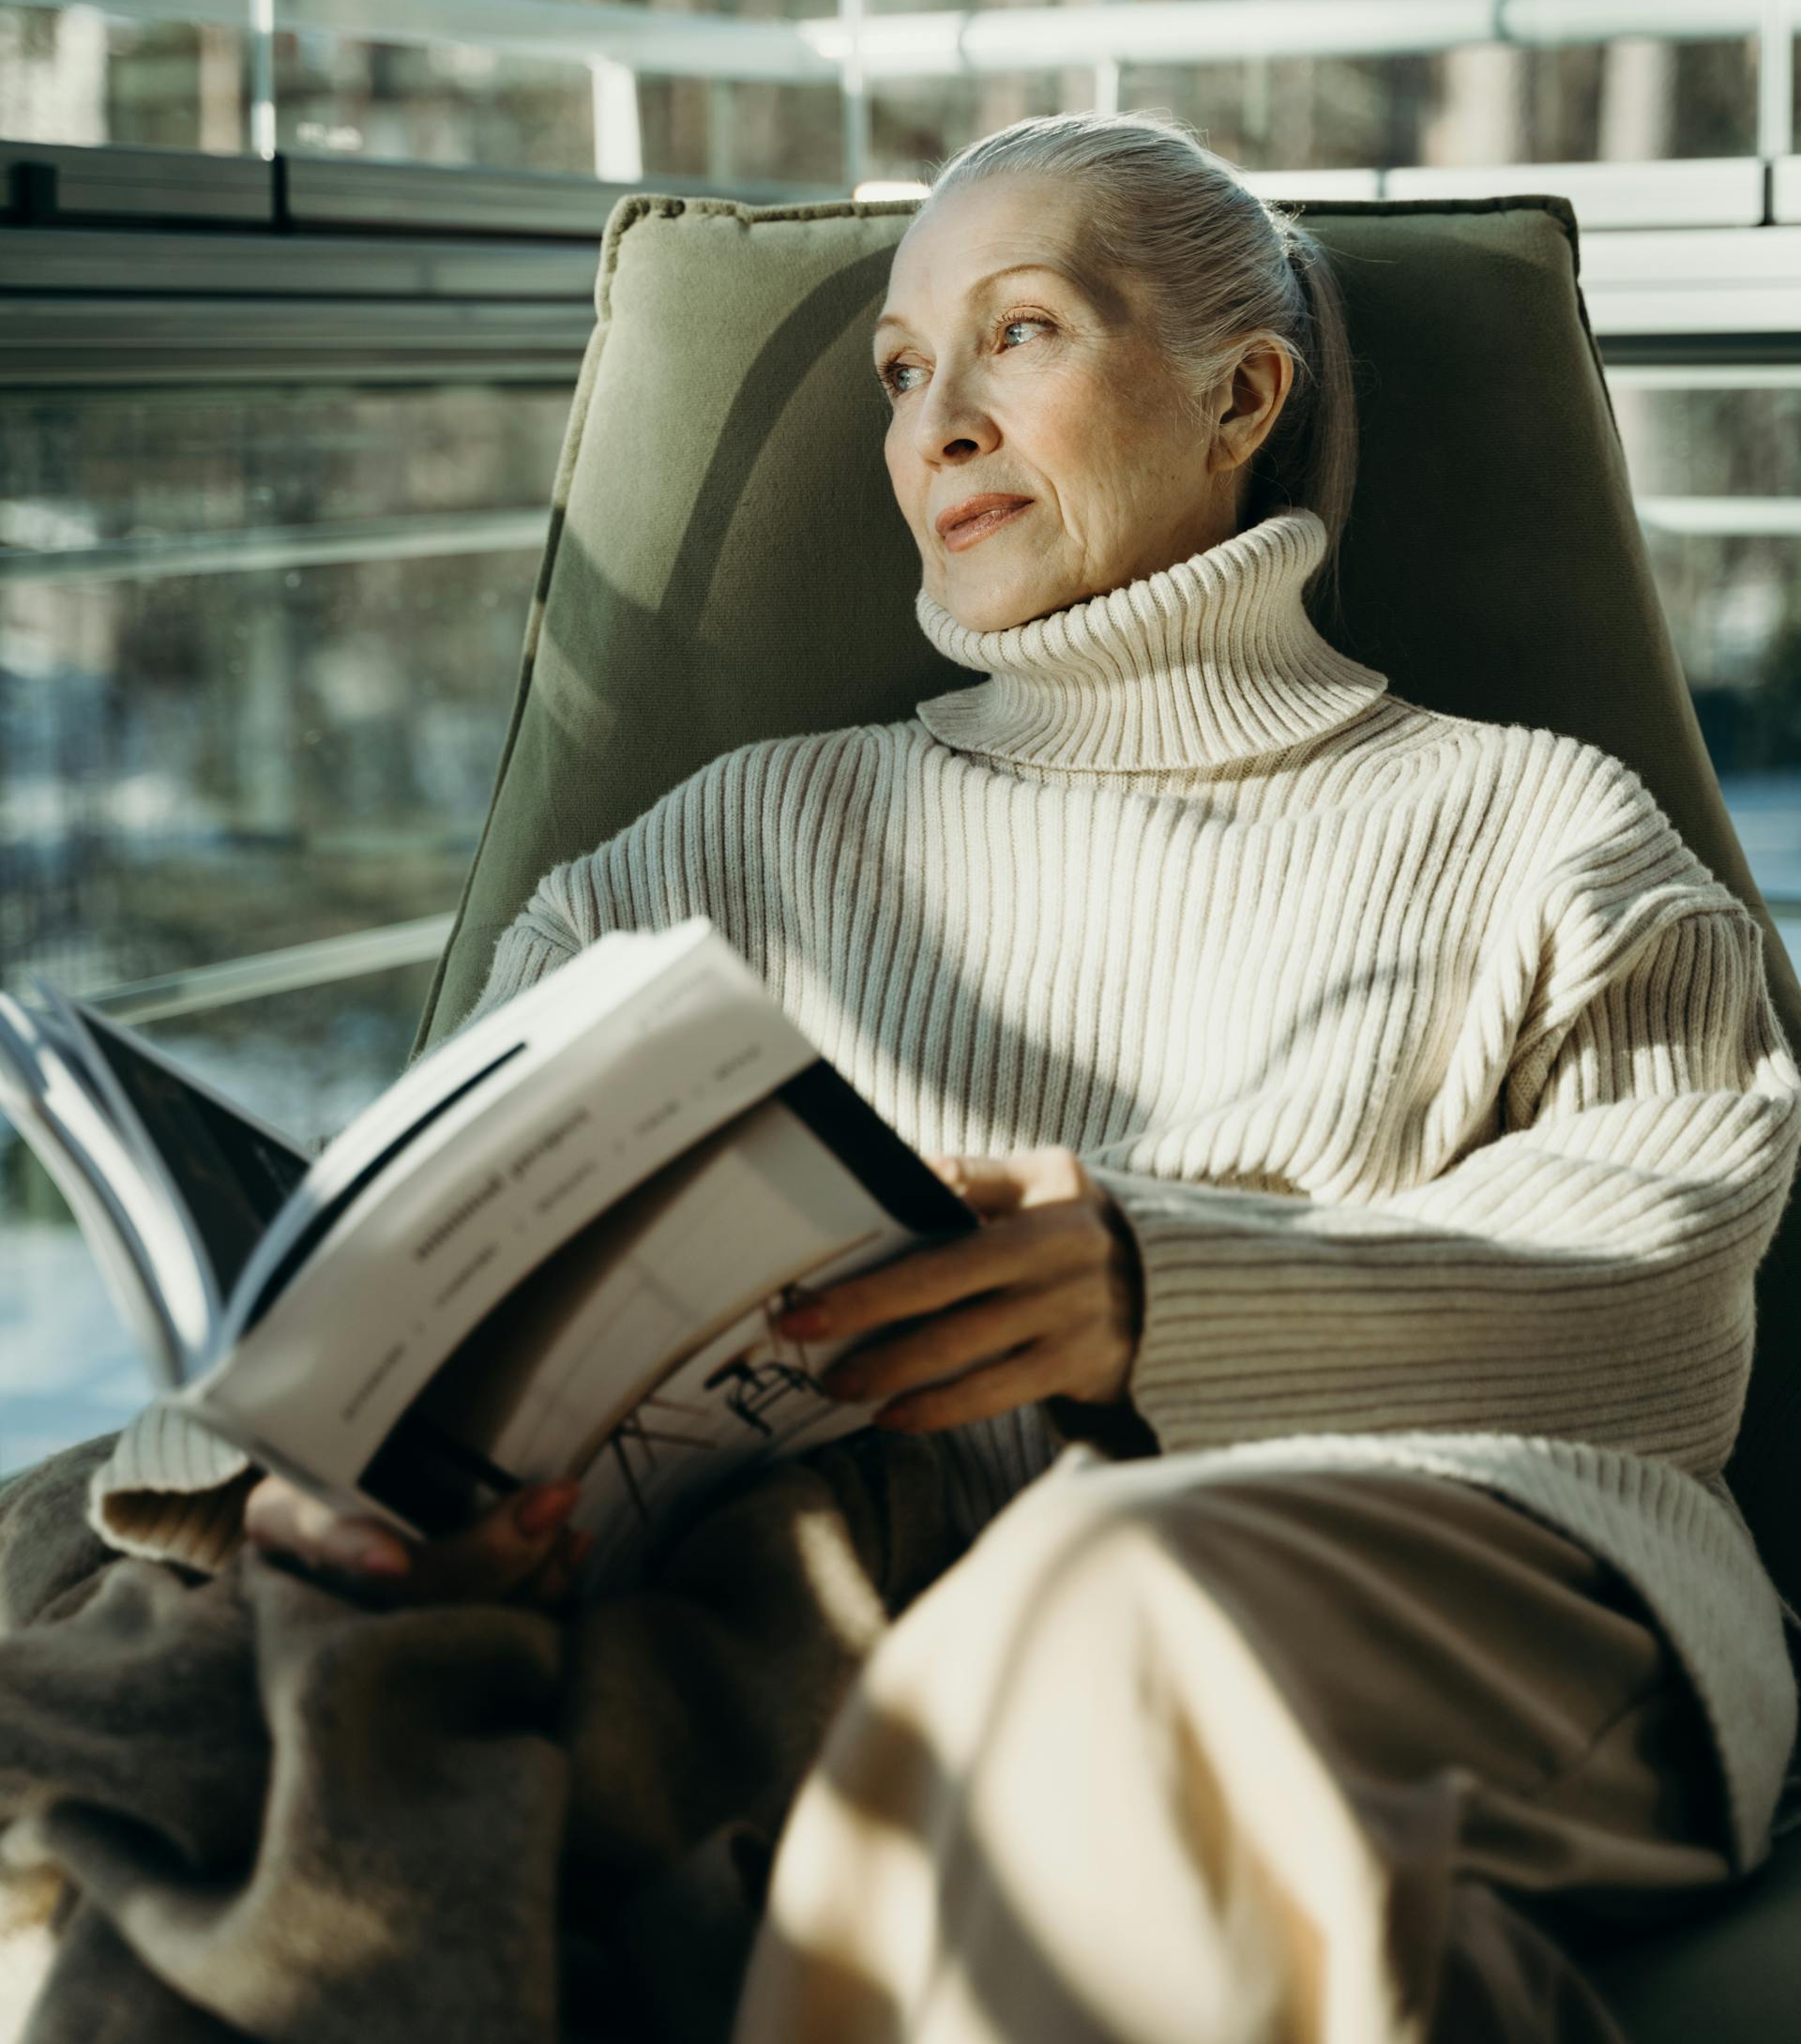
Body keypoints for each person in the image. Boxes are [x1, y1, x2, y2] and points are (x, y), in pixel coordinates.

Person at [81, 112, 1801, 2041]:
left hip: (1450, 1554)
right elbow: (431, 1225)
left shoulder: (1536, 825)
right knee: (96, 1561)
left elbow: (1667, 1310)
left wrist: (1166, 1286)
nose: (936, 424)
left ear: (1241, 395)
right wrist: (321, 1470)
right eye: (904, 372)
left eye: (1024, 334)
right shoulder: (734, 837)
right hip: (808, 1588)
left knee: (1092, 1604)